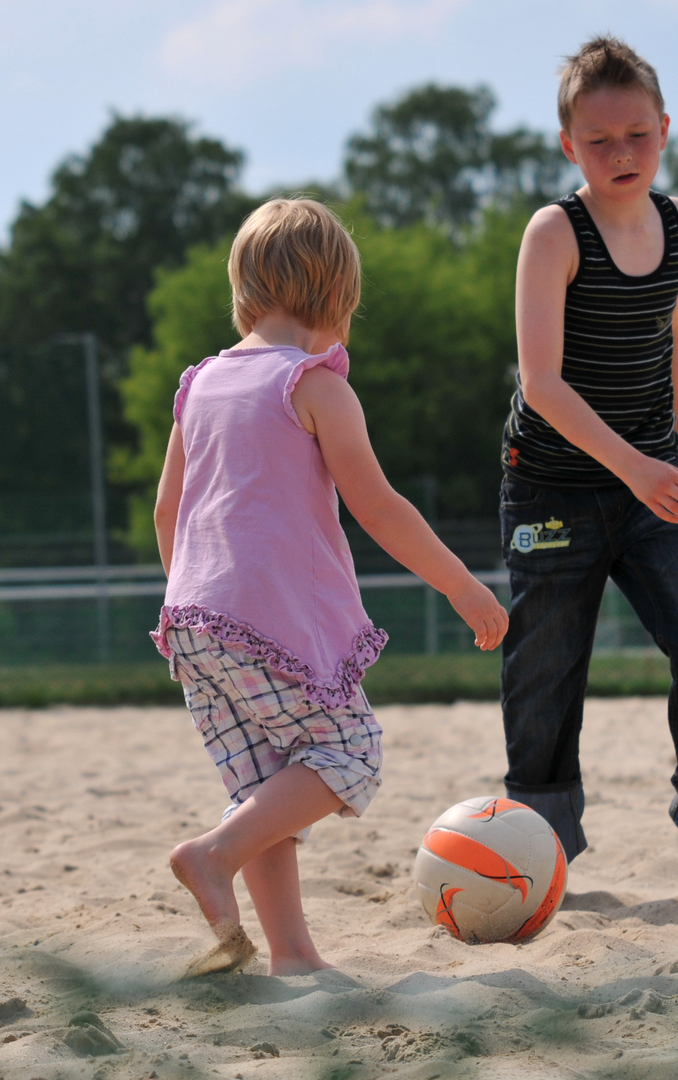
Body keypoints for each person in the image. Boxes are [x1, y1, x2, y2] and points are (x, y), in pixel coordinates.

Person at [153, 198, 509, 977]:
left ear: (244, 290)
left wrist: (194, 601)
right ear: (337, 298)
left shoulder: (199, 384)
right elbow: (379, 506)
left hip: (189, 622)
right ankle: (210, 857)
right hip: (263, 621)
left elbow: (165, 512)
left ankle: (293, 957)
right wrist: (460, 586)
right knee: (350, 752)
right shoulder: (314, 385)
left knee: (265, 791)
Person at [499, 37, 678, 898]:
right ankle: (546, 847)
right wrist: (634, 469)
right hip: (554, 483)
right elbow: (541, 384)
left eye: (637, 136)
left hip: (652, 480)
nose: (620, 154)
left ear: (664, 130)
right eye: (599, 141)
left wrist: (675, 459)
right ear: (567, 146)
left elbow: (674, 342)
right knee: (547, 663)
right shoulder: (554, 233)